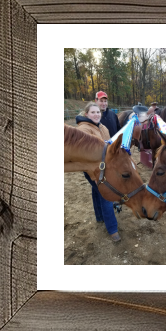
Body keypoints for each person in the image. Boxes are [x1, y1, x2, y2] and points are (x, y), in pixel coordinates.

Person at [75, 102, 121, 242]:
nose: (96, 114)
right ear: (86, 114)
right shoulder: (83, 129)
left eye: (98, 112)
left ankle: (100, 217)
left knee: (97, 192)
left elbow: (108, 145)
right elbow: (85, 156)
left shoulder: (103, 127)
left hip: (104, 166)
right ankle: (113, 229)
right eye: (93, 112)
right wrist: (94, 175)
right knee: (107, 196)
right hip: (93, 169)